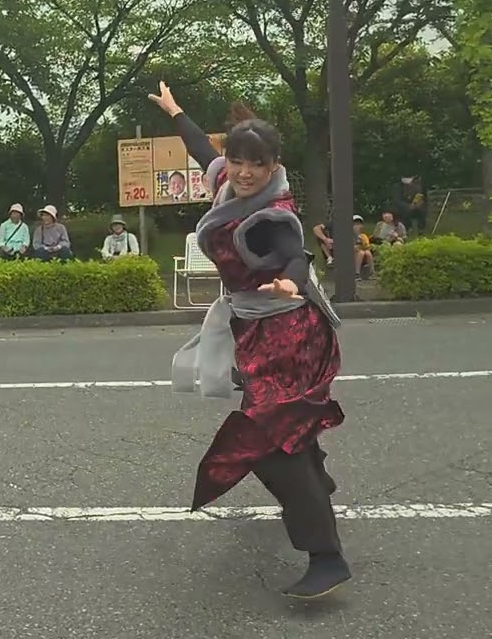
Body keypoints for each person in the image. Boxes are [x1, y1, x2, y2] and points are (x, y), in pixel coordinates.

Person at [149, 82, 349, 600]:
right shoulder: (227, 185)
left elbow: (295, 253)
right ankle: (317, 482)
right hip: (255, 329)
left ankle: (326, 557)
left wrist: (290, 282)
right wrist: (176, 112)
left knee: (267, 443)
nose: (242, 172)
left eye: (255, 165)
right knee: (285, 426)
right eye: (237, 161)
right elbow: (202, 151)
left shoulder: (270, 213)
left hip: (292, 335)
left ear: (273, 165)